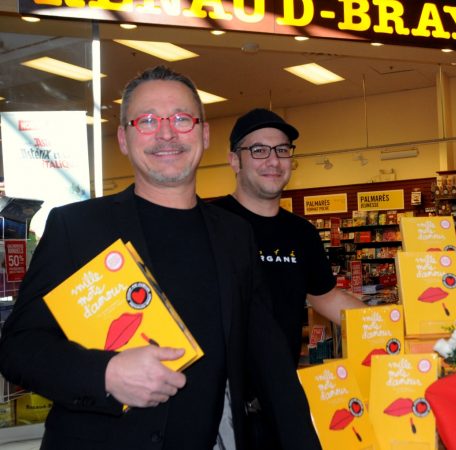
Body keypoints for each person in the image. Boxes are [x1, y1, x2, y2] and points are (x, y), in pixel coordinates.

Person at [0, 66, 320, 450]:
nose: (166, 133)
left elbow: (271, 365)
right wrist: (105, 373)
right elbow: (19, 346)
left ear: (203, 134)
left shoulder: (234, 234)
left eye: (181, 119)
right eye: (148, 120)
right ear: (123, 138)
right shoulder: (79, 227)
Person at [212, 108, 363, 448]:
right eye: (259, 150)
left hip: (281, 403)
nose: (273, 160)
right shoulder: (211, 223)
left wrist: (390, 324)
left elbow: (327, 297)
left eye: (282, 150)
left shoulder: (302, 232)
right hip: (224, 411)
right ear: (234, 160)